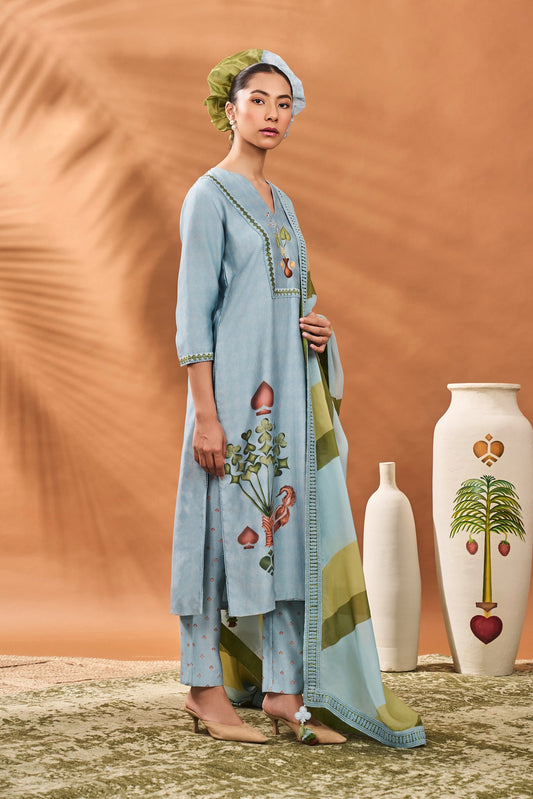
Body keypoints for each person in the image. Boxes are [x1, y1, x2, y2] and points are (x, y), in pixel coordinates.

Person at [171, 49, 426, 749]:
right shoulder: (208, 196)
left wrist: (318, 331)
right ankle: (202, 688)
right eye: (258, 101)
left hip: (285, 403)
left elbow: (294, 297)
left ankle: (284, 690)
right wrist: (207, 416)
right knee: (217, 540)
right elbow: (193, 315)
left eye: (283, 104)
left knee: (287, 538)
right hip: (231, 402)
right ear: (229, 109)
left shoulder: (281, 205)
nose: (272, 115)